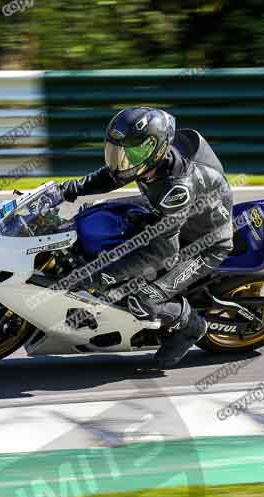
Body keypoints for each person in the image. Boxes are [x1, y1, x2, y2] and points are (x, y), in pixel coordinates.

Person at [60, 106, 234, 368]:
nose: (121, 159)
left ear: (156, 149)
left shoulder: (176, 189)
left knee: (139, 297)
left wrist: (103, 275)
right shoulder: (150, 163)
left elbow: (164, 252)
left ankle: (190, 326)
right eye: (117, 151)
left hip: (203, 245)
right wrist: (66, 190)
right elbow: (113, 175)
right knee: (97, 213)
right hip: (170, 218)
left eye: (131, 152)